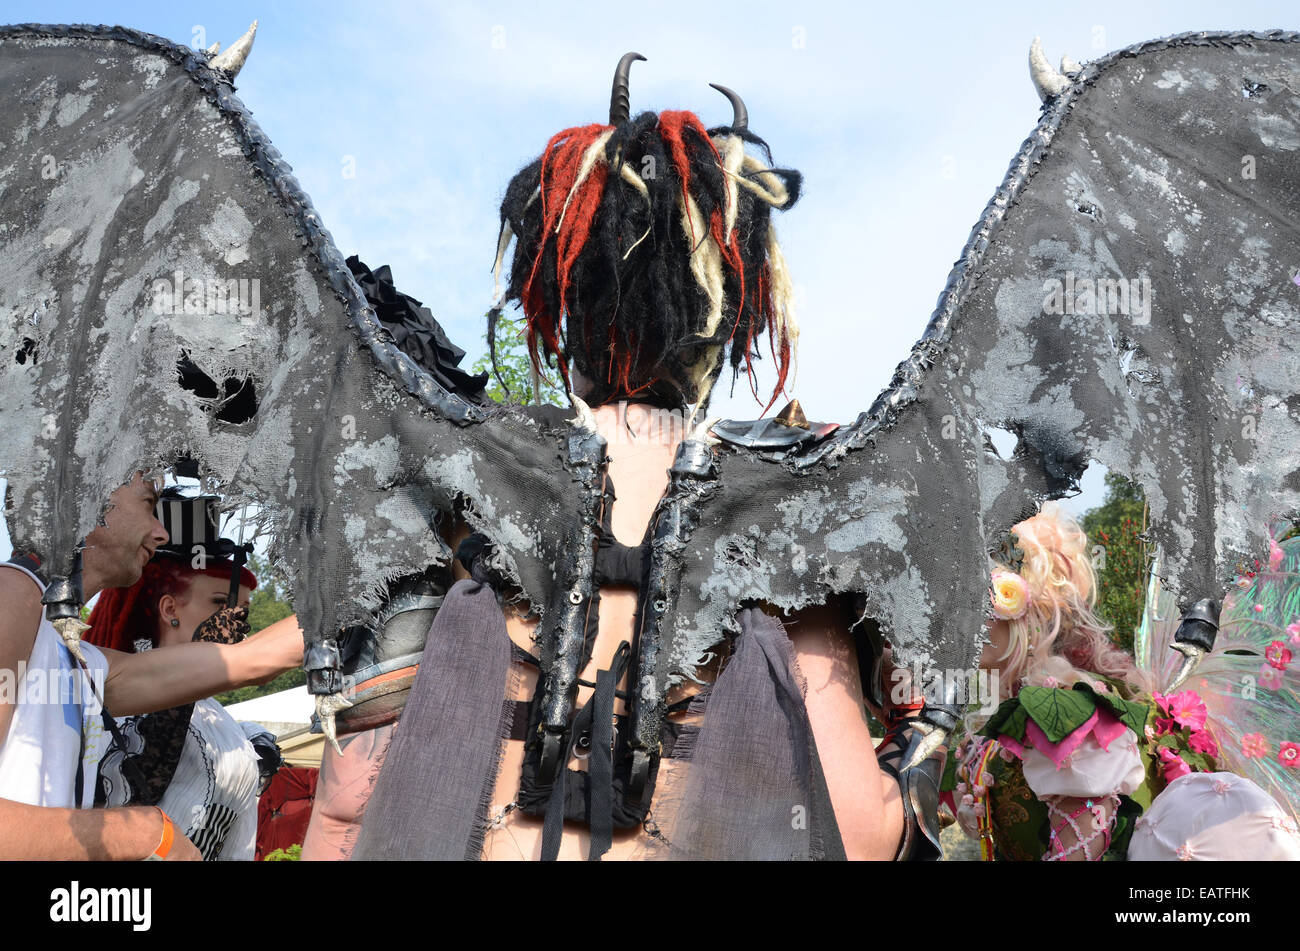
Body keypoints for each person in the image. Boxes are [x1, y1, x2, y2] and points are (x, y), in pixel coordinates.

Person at [308, 58, 921, 862]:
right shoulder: (793, 510)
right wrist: (907, 771)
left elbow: (349, 797)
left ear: (555, 293)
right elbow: (857, 825)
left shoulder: (459, 482)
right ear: (727, 307)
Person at [950, 502, 1300, 860]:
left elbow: (1080, 850)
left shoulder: (1068, 711)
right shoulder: (1007, 718)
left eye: (974, 603)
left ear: (1032, 611)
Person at [0, 472, 303, 860]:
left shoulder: (75, 654)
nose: (160, 533)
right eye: (148, 504)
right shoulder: (14, 591)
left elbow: (251, 660)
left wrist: (356, 597)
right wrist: (144, 834)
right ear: (82, 497)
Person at [84, 489, 295, 860]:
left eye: (244, 609)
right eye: (219, 602)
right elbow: (125, 803)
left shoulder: (226, 722)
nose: (238, 620)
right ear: (169, 609)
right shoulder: (111, 696)